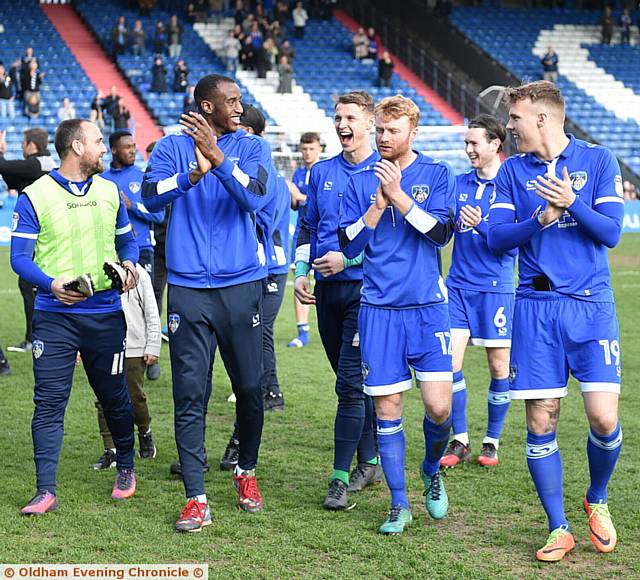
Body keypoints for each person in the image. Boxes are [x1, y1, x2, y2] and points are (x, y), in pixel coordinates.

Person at [488, 81, 624, 562]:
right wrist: (540, 220)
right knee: (542, 418)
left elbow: (611, 233)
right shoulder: (510, 174)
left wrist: (572, 203)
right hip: (535, 309)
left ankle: (597, 497)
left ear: (541, 118)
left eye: (515, 119)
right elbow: (497, 239)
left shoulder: (598, 160)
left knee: (604, 418)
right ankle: (558, 527)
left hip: (591, 307)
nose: (509, 127)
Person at [142, 74, 272, 532]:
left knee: (252, 390)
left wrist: (217, 161)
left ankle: (246, 471)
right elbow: (149, 197)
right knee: (189, 393)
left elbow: (255, 199)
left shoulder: (253, 148)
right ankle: (196, 497)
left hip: (241, 288)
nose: (240, 107)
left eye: (240, 100)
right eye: (231, 101)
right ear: (206, 106)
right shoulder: (170, 148)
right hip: (189, 292)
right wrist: (191, 174)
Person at [338, 95, 456, 535]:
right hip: (379, 312)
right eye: (381, 130)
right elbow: (347, 246)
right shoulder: (359, 180)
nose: (385, 138)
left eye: (394, 130)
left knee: (439, 408)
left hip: (428, 309)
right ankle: (399, 503)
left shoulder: (437, 173)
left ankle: (430, 468)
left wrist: (400, 197)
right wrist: (376, 207)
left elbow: (443, 234)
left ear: (413, 131)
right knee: (388, 410)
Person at [10, 119, 140, 515]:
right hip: (55, 317)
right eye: (99, 141)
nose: (105, 148)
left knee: (114, 396)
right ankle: (44, 489)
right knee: (48, 402)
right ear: (77, 147)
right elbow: (19, 259)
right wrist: (50, 284)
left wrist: (131, 267)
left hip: (105, 313)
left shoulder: (110, 192)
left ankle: (127, 468)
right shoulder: (34, 196)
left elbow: (128, 242)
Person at [294, 92, 381, 510]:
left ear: (369, 124)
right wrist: (300, 273)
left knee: (348, 385)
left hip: (366, 293)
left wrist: (347, 257)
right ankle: (370, 458)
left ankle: (339, 478)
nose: (342, 124)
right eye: (337, 117)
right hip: (326, 293)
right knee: (354, 383)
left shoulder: (384, 173)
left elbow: (386, 240)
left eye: (350, 117)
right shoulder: (320, 172)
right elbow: (306, 230)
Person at [440, 114, 515, 469]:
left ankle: (492, 440)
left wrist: (481, 224)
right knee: (449, 364)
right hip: (457, 287)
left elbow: (515, 245)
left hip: (496, 290)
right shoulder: (457, 184)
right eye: (467, 143)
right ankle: (461, 438)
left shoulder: (513, 186)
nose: (468, 149)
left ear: (495, 145)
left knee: (499, 368)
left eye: (474, 143)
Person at [103, 130, 164, 380]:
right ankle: (117, 353)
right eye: (127, 147)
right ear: (114, 150)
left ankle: (151, 355)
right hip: (111, 254)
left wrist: (133, 206)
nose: (132, 150)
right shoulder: (101, 180)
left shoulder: (142, 177)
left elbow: (158, 215)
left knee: (147, 303)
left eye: (133, 146)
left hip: (142, 250)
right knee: (114, 304)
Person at [92, 263, 160, 470]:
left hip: (134, 347)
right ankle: (110, 450)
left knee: (135, 397)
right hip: (103, 347)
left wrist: (153, 345)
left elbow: (151, 312)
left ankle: (144, 433)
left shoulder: (140, 274)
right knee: (103, 399)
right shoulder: (94, 268)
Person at [0, 128, 54, 354]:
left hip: (38, 233)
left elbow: (5, 168)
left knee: (30, 283)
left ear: (32, 145)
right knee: (32, 284)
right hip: (43, 232)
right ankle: (37, 336)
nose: (21, 146)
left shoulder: (38, 163)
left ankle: (37, 337)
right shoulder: (40, 164)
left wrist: (1, 152)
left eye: (24, 142)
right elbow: (10, 177)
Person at [288, 131, 322, 348]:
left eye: (312, 148)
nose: (308, 152)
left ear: (319, 149)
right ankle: (303, 332)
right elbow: (295, 205)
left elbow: (321, 202)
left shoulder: (325, 171)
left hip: (323, 234)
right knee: (300, 279)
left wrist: (299, 196)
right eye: (305, 149)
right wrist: (292, 196)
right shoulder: (298, 173)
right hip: (303, 233)